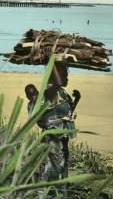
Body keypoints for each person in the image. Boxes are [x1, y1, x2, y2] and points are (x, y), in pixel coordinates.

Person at [25, 62, 81, 198]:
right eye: (64, 75)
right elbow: (40, 119)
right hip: (53, 140)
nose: (67, 78)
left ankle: (52, 195)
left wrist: (77, 99)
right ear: (54, 76)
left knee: (58, 170)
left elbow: (67, 113)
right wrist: (53, 62)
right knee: (54, 171)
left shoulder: (61, 93)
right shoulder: (49, 93)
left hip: (62, 139)